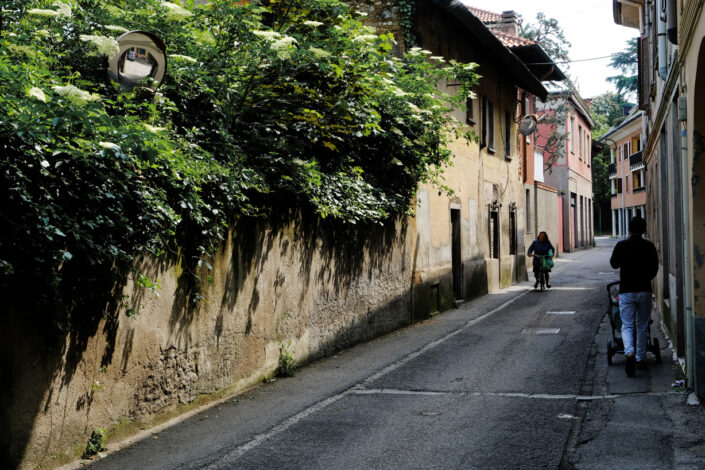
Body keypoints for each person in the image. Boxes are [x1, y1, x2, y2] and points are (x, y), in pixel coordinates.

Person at [609, 216, 659, 376]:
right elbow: (654, 269)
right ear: (644, 230)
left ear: (629, 229)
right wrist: (646, 277)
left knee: (627, 325)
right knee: (643, 325)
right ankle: (641, 358)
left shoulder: (622, 245)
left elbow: (614, 264)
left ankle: (629, 352)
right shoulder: (649, 246)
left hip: (627, 290)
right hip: (644, 289)